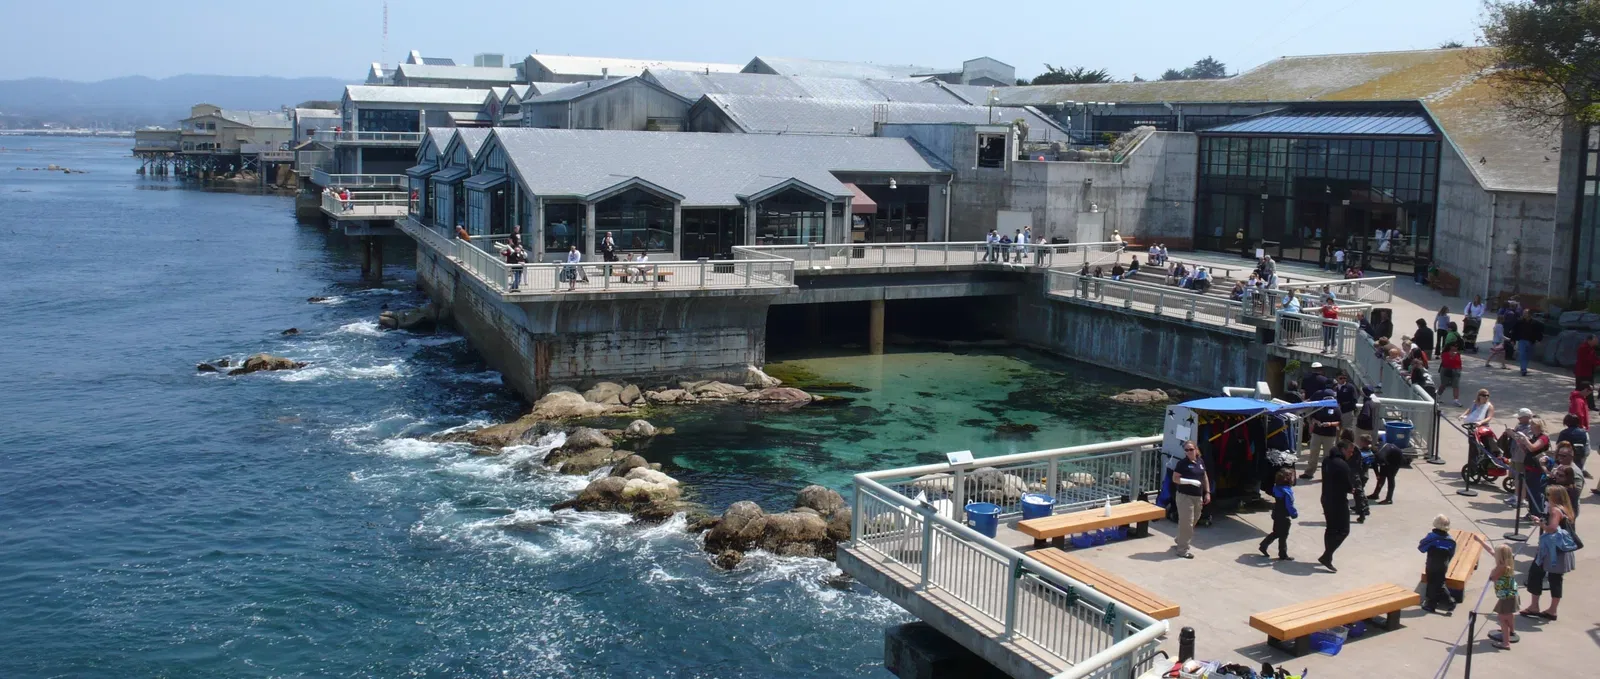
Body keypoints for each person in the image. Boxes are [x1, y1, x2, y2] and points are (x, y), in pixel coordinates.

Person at [1520, 485, 1576, 621]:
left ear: (1555, 497)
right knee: (1556, 579)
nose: (1547, 497)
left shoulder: (1555, 510)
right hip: (1561, 550)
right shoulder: (1566, 509)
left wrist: (1541, 525)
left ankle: (1534, 606)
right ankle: (1552, 610)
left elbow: (1552, 528)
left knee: (1535, 573)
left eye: (1549, 495)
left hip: (1550, 550)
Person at [1318, 439, 1357, 573]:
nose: (1351, 454)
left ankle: (1327, 556)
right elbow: (1347, 485)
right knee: (1344, 530)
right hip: (1338, 501)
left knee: (1331, 528)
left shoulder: (1326, 460)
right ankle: (1327, 555)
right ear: (1343, 450)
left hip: (1326, 498)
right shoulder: (1342, 465)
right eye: (1350, 451)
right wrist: (1351, 489)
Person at [1171, 440, 1210, 560]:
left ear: (1196, 449)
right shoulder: (1182, 464)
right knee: (1187, 523)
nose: (1189, 452)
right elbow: (1175, 479)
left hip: (1197, 496)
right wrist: (1190, 482)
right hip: (1184, 496)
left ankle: (1180, 539)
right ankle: (1182, 550)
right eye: (1186, 450)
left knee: (1195, 520)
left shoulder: (1200, 461)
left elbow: (1204, 476)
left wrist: (1207, 492)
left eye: (1191, 449)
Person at [1512, 418, 1552, 518]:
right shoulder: (1535, 437)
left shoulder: (1543, 438)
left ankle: (1538, 514)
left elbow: (1533, 448)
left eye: (1532, 425)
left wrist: (1525, 439)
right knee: (1530, 493)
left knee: (1536, 493)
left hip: (1537, 469)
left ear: (1538, 426)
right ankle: (1532, 513)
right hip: (1529, 467)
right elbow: (1528, 451)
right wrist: (1520, 442)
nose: (1530, 427)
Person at [1419, 515, 1458, 614]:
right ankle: (1443, 602)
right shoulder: (1450, 540)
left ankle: (1434, 604)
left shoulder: (1432, 537)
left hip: (1432, 563)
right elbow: (1451, 553)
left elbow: (1421, 548)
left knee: (1432, 583)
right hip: (1443, 564)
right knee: (1440, 582)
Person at [1258, 467, 1299, 561]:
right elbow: (1289, 505)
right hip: (1284, 516)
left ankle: (1263, 545)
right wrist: (1294, 514)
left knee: (1276, 532)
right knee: (1283, 535)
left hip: (1276, 513)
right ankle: (1283, 554)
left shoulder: (1276, 488)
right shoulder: (1287, 492)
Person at [1486, 544, 1520, 648]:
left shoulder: (1502, 567)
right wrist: (1479, 541)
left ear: (1499, 557)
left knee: (1502, 618)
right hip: (1512, 594)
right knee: (1509, 615)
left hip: (1506, 597)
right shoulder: (1509, 562)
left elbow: (1493, 577)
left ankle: (1506, 643)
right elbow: (1490, 550)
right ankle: (1512, 631)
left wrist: (1492, 576)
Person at [1305, 393, 1342, 480]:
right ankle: (1309, 472)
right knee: (1313, 453)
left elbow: (1339, 422)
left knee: (1328, 456)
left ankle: (1327, 475)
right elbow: (1312, 417)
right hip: (1317, 433)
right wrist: (1316, 422)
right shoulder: (1318, 407)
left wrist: (1330, 424)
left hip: (1330, 435)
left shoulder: (1336, 409)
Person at [1366, 434, 1404, 505]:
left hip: (1396, 458)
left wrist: (1380, 474)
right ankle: (1375, 494)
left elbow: (1379, 463)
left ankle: (1389, 499)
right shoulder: (1373, 451)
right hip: (1388, 456)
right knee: (1382, 476)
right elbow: (1374, 464)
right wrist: (1377, 474)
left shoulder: (1380, 456)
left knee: (1390, 477)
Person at [1549, 443, 1581, 517]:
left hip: (1568, 511)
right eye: (1559, 455)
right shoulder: (1561, 466)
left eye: (1563, 456)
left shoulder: (1575, 471)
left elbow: (1576, 491)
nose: (1559, 457)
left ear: (1571, 456)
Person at [1513, 308, 1543, 376]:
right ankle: (1524, 369)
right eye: (1523, 313)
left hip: (1531, 341)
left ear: (1529, 314)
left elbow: (1539, 332)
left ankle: (1523, 367)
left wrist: (1539, 339)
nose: (1524, 314)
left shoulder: (1535, 323)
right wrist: (1513, 340)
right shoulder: (1520, 322)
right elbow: (1515, 331)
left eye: (1525, 313)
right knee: (1522, 354)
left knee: (1528, 355)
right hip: (1522, 340)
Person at [1577, 335, 1598, 411]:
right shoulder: (1583, 348)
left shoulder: (1590, 348)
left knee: (1589, 388)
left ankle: (1591, 405)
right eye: (1595, 340)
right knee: (1580, 388)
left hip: (1588, 371)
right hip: (1583, 372)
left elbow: (1593, 359)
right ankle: (1577, 403)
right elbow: (1590, 360)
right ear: (1589, 340)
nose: (1596, 341)